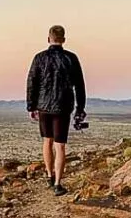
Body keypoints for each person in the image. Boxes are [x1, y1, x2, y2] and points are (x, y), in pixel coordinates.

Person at [25, 25, 86, 196]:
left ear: (48, 38)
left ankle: (49, 175)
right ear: (64, 40)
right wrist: (80, 108)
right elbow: (79, 86)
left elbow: (32, 82)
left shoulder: (39, 58)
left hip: (44, 106)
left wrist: (31, 105)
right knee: (60, 146)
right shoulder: (71, 58)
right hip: (63, 106)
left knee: (47, 141)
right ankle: (58, 184)